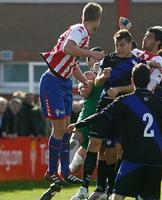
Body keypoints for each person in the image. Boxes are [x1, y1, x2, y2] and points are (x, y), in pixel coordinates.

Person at [68, 63, 162, 200]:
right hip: (154, 156)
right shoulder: (160, 102)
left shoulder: (125, 100)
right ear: (148, 81)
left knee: (117, 195)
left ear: (132, 81)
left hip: (132, 156)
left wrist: (79, 123)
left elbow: (101, 115)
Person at [39, 2, 104, 200]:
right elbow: (68, 48)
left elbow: (73, 63)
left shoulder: (82, 35)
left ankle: (64, 172)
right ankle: (52, 172)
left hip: (64, 82)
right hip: (53, 81)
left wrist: (85, 82)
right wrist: (92, 53)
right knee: (58, 130)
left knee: (66, 129)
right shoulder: (79, 30)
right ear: (97, 19)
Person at [71, 29, 143, 200]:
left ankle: (108, 190)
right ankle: (84, 188)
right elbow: (97, 82)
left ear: (130, 44)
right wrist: (103, 76)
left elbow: (136, 86)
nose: (119, 48)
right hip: (104, 106)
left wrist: (118, 89)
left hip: (123, 108)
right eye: (117, 45)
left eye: (122, 45)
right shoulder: (109, 59)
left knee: (113, 150)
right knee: (94, 144)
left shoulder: (136, 63)